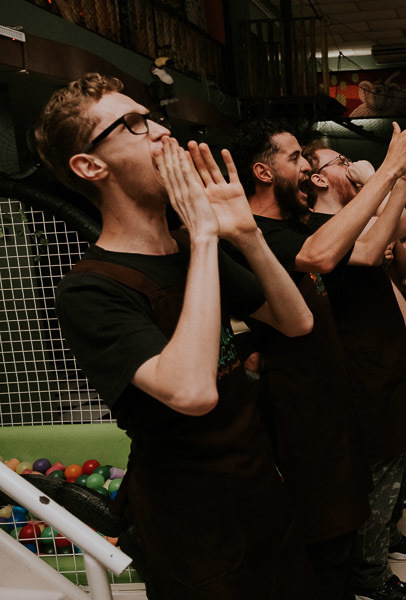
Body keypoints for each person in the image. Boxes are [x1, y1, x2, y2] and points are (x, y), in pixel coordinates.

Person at [36, 73, 316, 599]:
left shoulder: (189, 247)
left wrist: (246, 234)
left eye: (153, 117)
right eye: (135, 124)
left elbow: (296, 321)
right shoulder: (91, 289)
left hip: (260, 491)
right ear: (90, 166)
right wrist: (205, 236)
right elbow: (192, 392)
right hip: (191, 525)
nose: (163, 132)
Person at [229, 117, 406, 600]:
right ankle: (363, 577)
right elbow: (325, 257)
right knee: (329, 516)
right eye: (295, 159)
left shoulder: (291, 224)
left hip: (330, 387)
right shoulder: (263, 232)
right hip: (303, 398)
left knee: (349, 503)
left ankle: (359, 573)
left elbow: (372, 252)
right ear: (263, 172)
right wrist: (388, 171)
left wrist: (398, 180)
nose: (306, 171)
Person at [303, 134, 406, 600]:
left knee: (396, 456)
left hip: (386, 356)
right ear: (318, 178)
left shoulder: (357, 214)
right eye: (340, 160)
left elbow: (397, 239)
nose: (350, 164)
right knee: (379, 465)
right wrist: (382, 176)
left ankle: (385, 539)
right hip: (360, 365)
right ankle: (370, 575)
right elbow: (368, 254)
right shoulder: (319, 226)